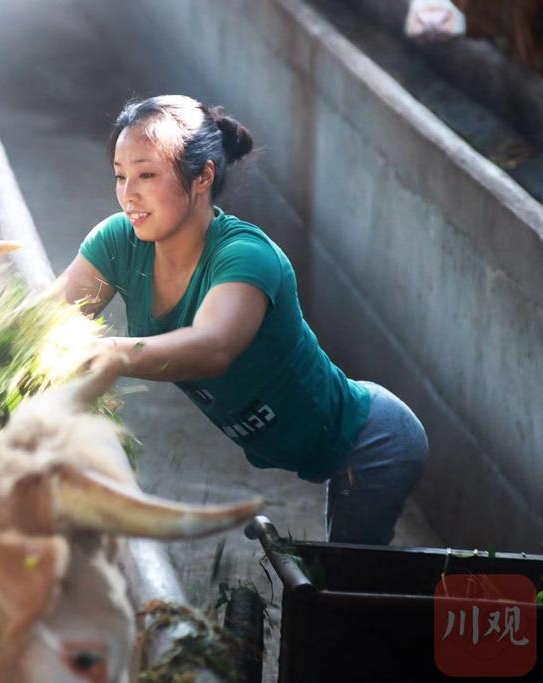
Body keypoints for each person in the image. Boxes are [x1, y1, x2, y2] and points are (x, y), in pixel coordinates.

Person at [56, 95, 428, 545]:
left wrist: (106, 352)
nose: (128, 194)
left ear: (202, 176)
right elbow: (45, 320)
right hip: (308, 445)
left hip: (372, 443)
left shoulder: (245, 255)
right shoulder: (119, 241)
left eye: (147, 174)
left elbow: (213, 347)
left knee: (345, 591)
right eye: (120, 176)